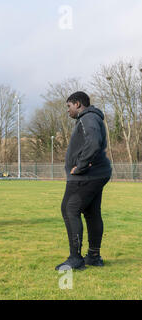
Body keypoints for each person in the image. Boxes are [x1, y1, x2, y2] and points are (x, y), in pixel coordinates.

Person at [56, 92, 112, 270]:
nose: (68, 110)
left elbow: (93, 142)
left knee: (69, 209)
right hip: (96, 174)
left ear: (78, 104)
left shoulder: (87, 118)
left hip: (86, 175)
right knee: (91, 212)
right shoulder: (92, 118)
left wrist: (80, 166)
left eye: (68, 106)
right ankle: (94, 256)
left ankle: (76, 259)